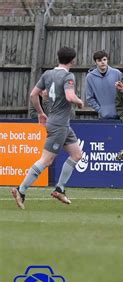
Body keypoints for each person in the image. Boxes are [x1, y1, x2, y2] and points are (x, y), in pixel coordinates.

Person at [11, 47, 84, 209]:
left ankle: (59, 189)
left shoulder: (48, 74)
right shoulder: (68, 76)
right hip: (59, 124)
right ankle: (20, 190)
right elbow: (69, 96)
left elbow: (33, 94)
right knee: (46, 159)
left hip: (60, 123)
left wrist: (40, 113)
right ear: (73, 60)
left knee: (76, 154)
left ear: (58, 58)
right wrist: (79, 101)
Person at [86, 50, 122, 119]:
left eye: (104, 59)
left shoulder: (117, 73)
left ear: (107, 60)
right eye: (99, 60)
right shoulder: (90, 77)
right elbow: (89, 98)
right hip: (103, 117)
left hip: (120, 116)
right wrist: (100, 110)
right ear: (95, 62)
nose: (102, 62)